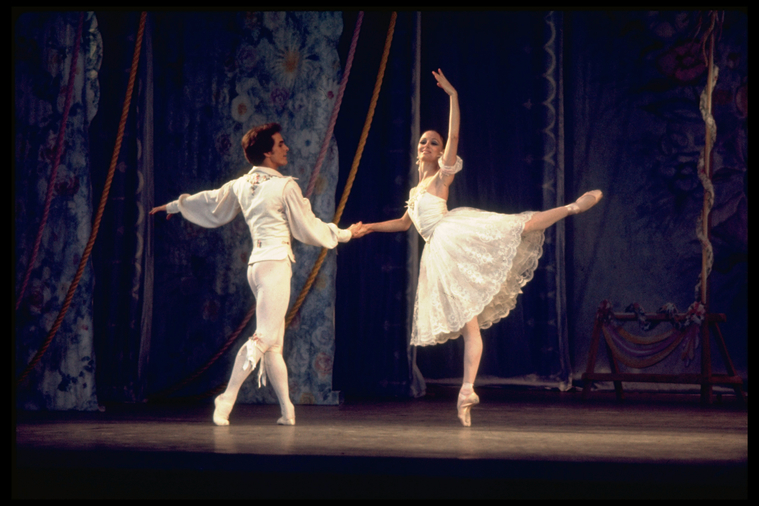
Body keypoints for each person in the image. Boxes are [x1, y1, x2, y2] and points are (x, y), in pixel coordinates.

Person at [350, 69, 602, 426]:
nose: (428, 146)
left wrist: (452, 95)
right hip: (438, 254)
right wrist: (370, 227)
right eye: (424, 142)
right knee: (471, 328)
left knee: (519, 224)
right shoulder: (414, 191)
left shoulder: (441, 177)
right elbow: (405, 223)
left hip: (454, 234)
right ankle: (467, 390)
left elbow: (454, 134)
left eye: (433, 143)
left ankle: (572, 207)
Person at [150, 123, 361, 426]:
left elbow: (210, 200)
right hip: (274, 266)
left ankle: (287, 411)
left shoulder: (241, 184)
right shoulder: (284, 186)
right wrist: (343, 234)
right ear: (267, 151)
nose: (286, 148)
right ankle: (227, 397)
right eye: (280, 144)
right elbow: (308, 225)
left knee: (274, 344)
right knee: (263, 338)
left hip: (257, 267)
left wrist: (175, 205)